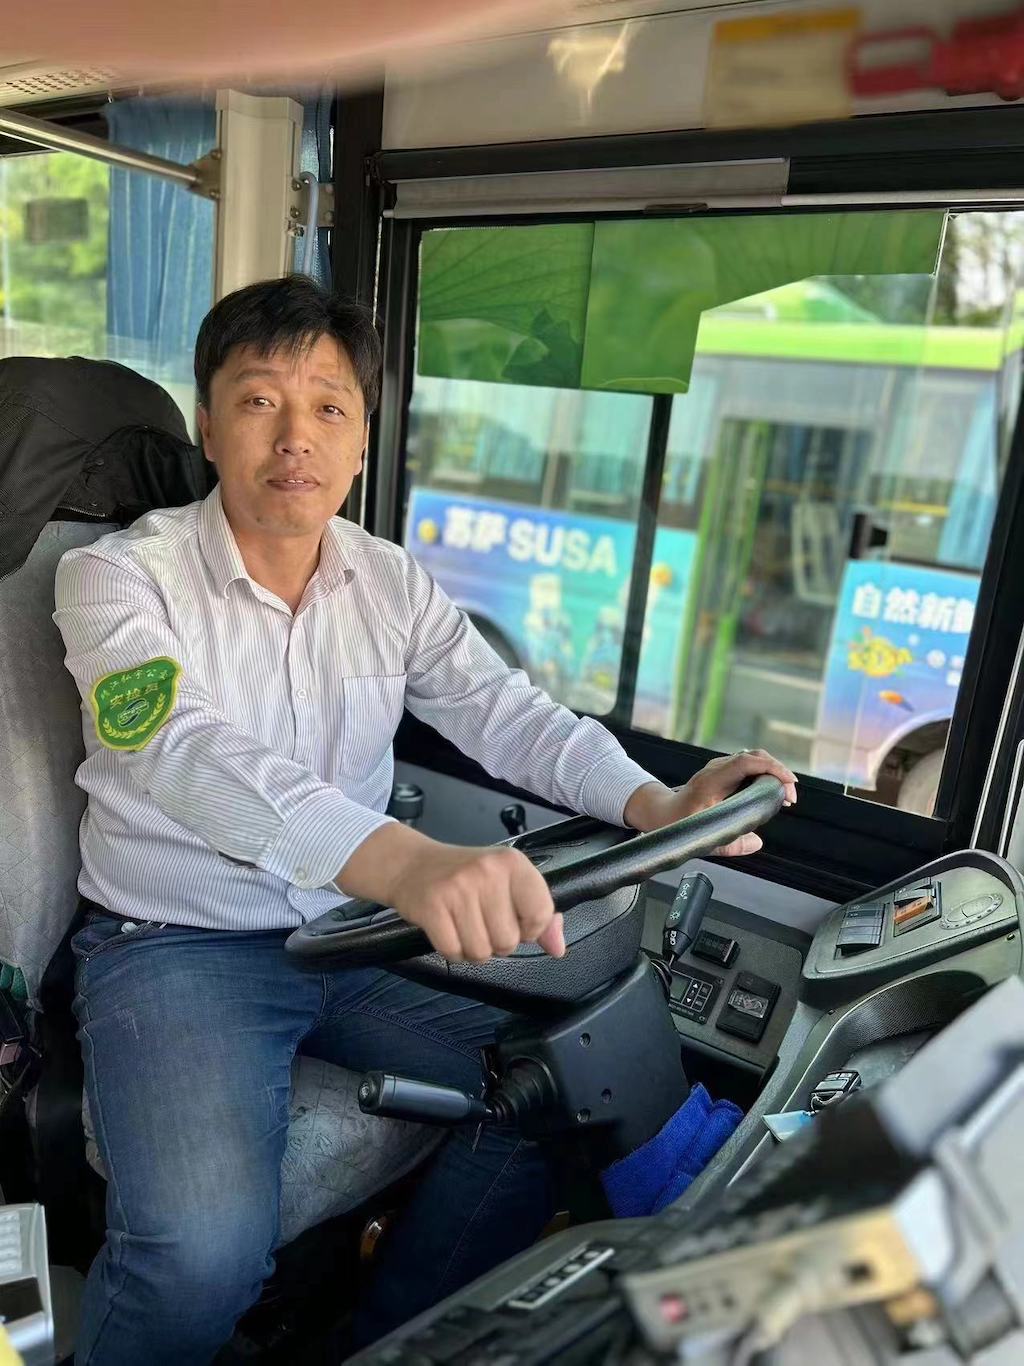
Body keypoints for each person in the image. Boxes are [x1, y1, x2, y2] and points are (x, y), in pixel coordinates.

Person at [53, 275, 797, 1364]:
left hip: (346, 939)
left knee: (558, 1089)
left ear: (362, 440)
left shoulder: (388, 581)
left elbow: (507, 713)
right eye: (259, 401)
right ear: (208, 424)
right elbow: (181, 750)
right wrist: (403, 862)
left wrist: (656, 800)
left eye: (329, 407)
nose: (295, 437)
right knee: (199, 1260)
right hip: (173, 948)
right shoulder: (114, 579)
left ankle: (396, 1339)